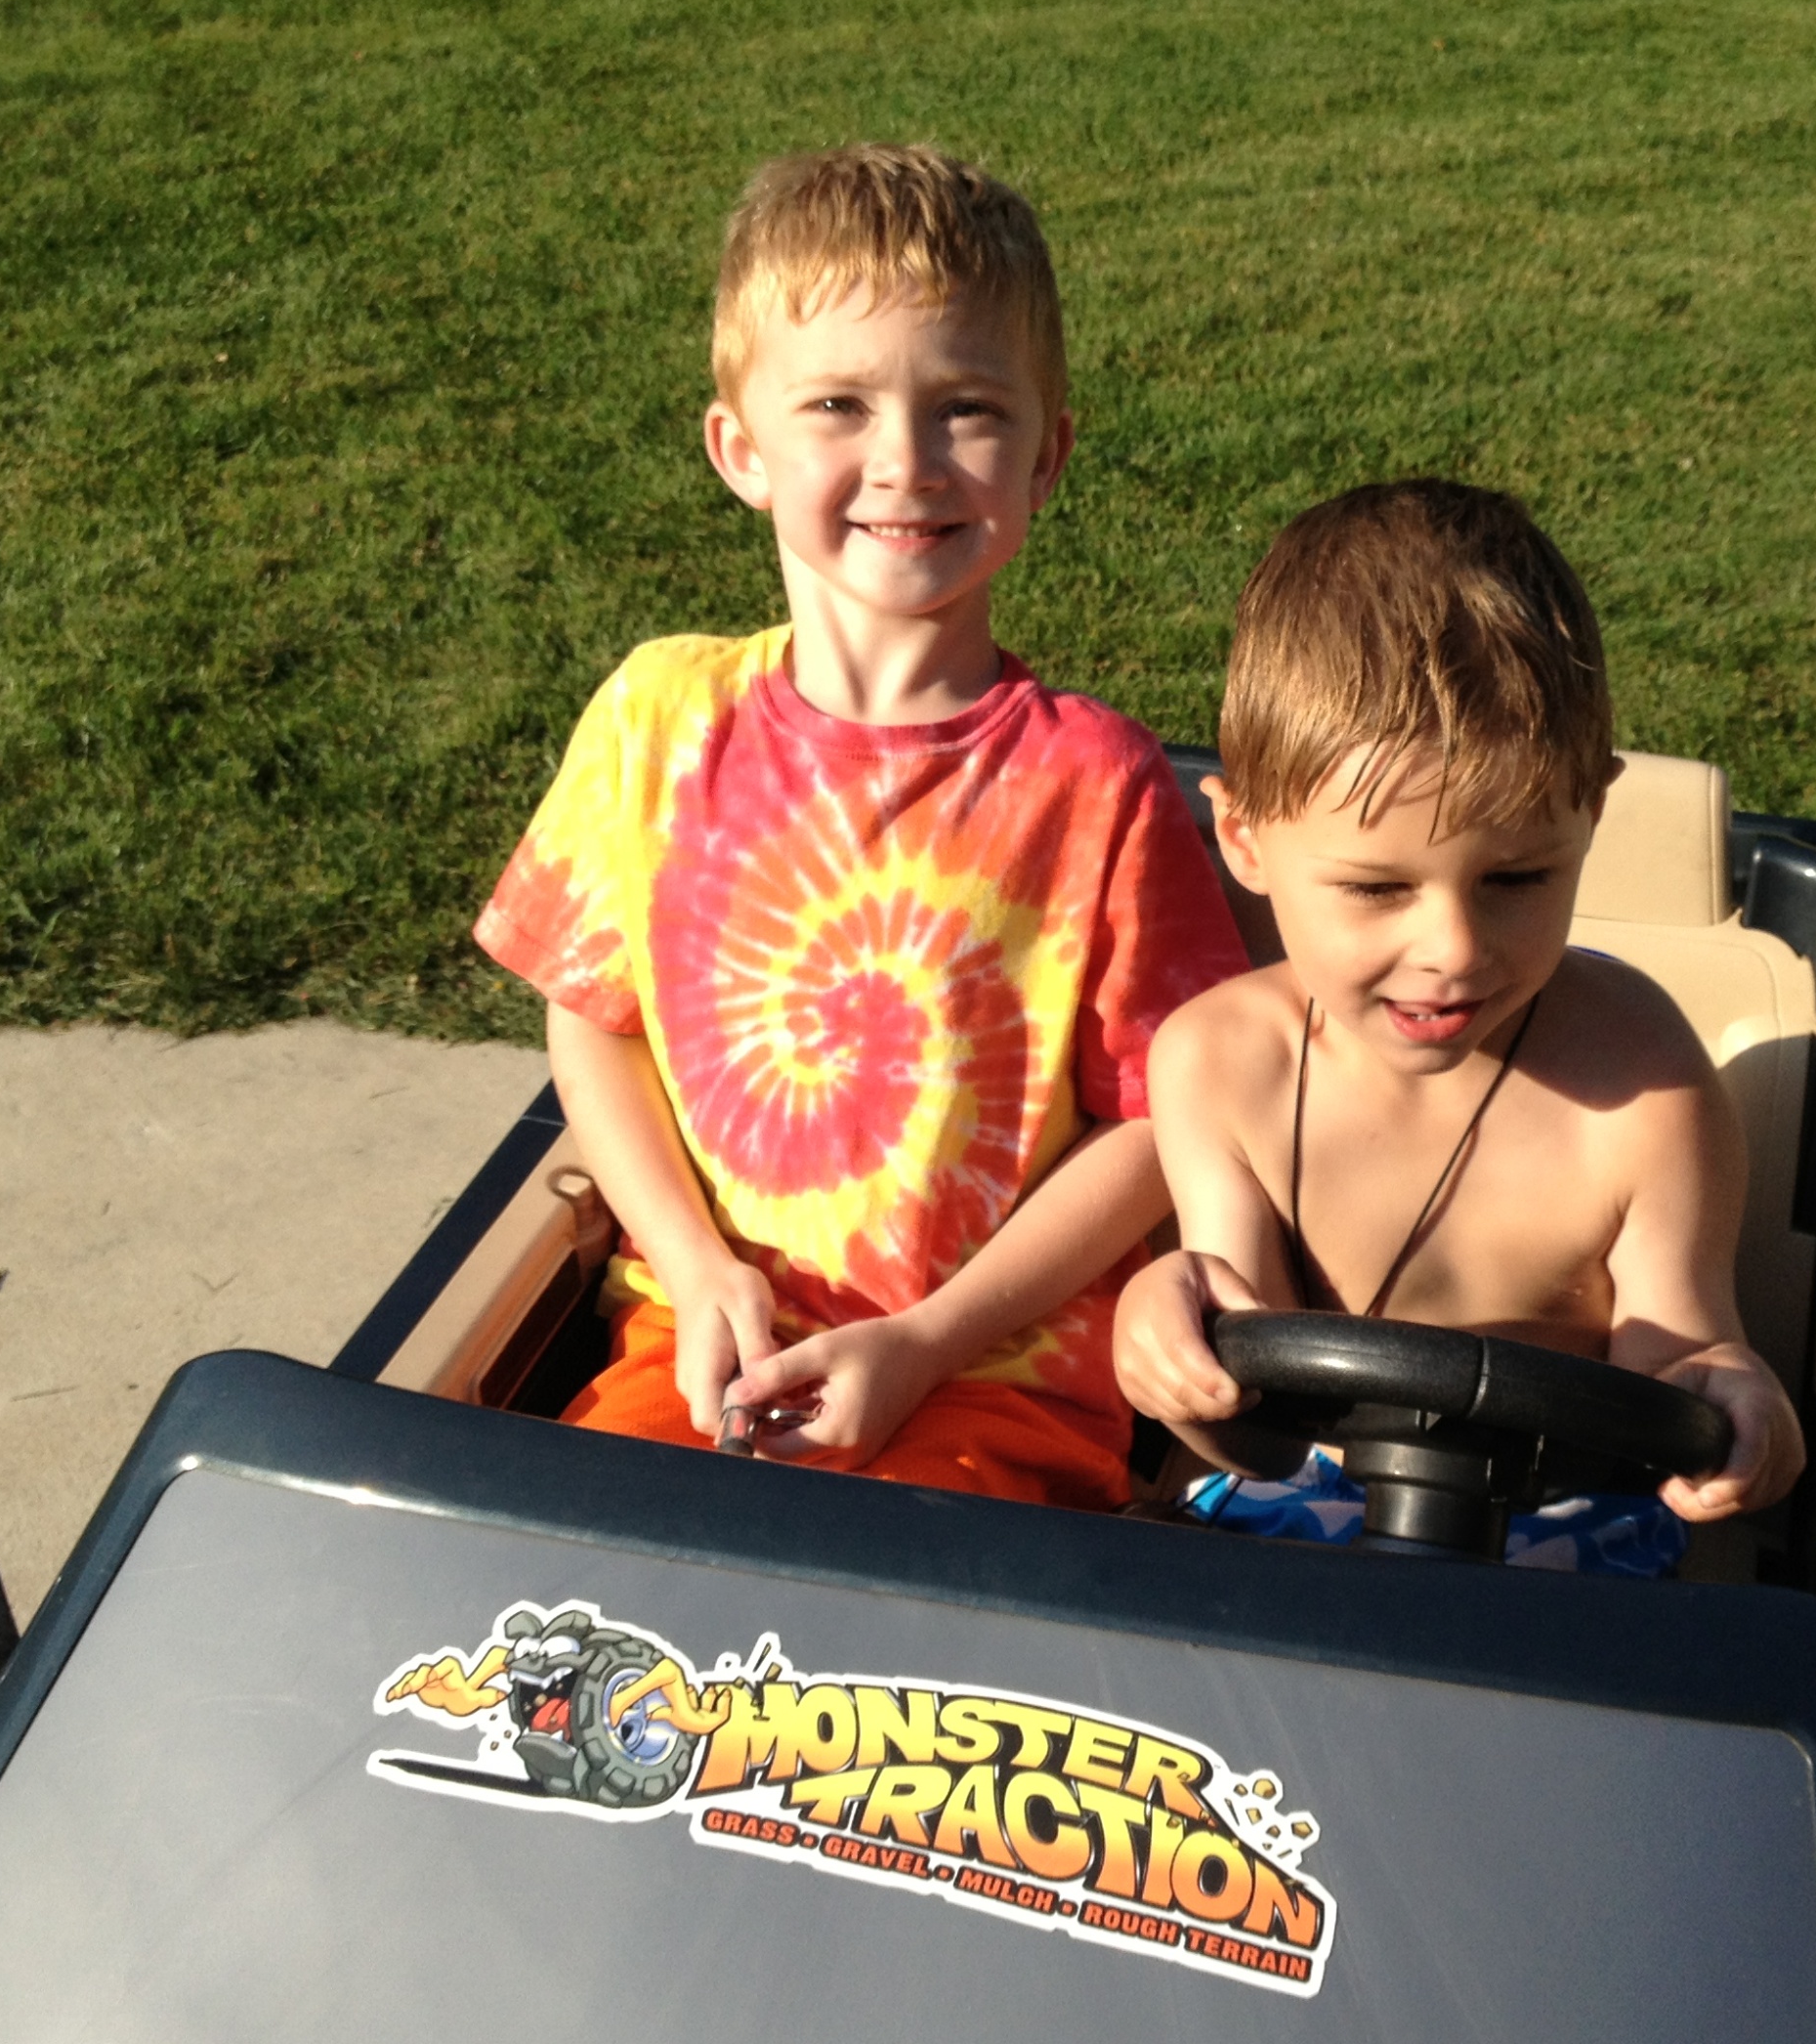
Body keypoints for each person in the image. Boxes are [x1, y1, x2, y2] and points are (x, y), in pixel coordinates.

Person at [474, 144, 1245, 1511]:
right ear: (741, 450)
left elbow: (1158, 1124)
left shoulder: (1099, 786)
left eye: (967, 410)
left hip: (994, 1385)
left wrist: (929, 1340)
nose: (905, 462)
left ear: (1046, 456)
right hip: (697, 1352)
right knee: (588, 1589)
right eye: (838, 404)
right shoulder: (658, 718)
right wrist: (696, 1269)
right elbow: (593, 1021)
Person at [1111, 480, 1804, 1549]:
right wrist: (1168, 1350)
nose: (1455, 949)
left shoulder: (1641, 1080)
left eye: (1516, 879)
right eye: (1376, 888)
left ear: (1592, 815)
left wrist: (1742, 1409)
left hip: (1560, 1538)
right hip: (1294, 1515)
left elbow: (1682, 1357)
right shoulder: (1221, 1063)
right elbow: (1255, 1435)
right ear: (1244, 842)